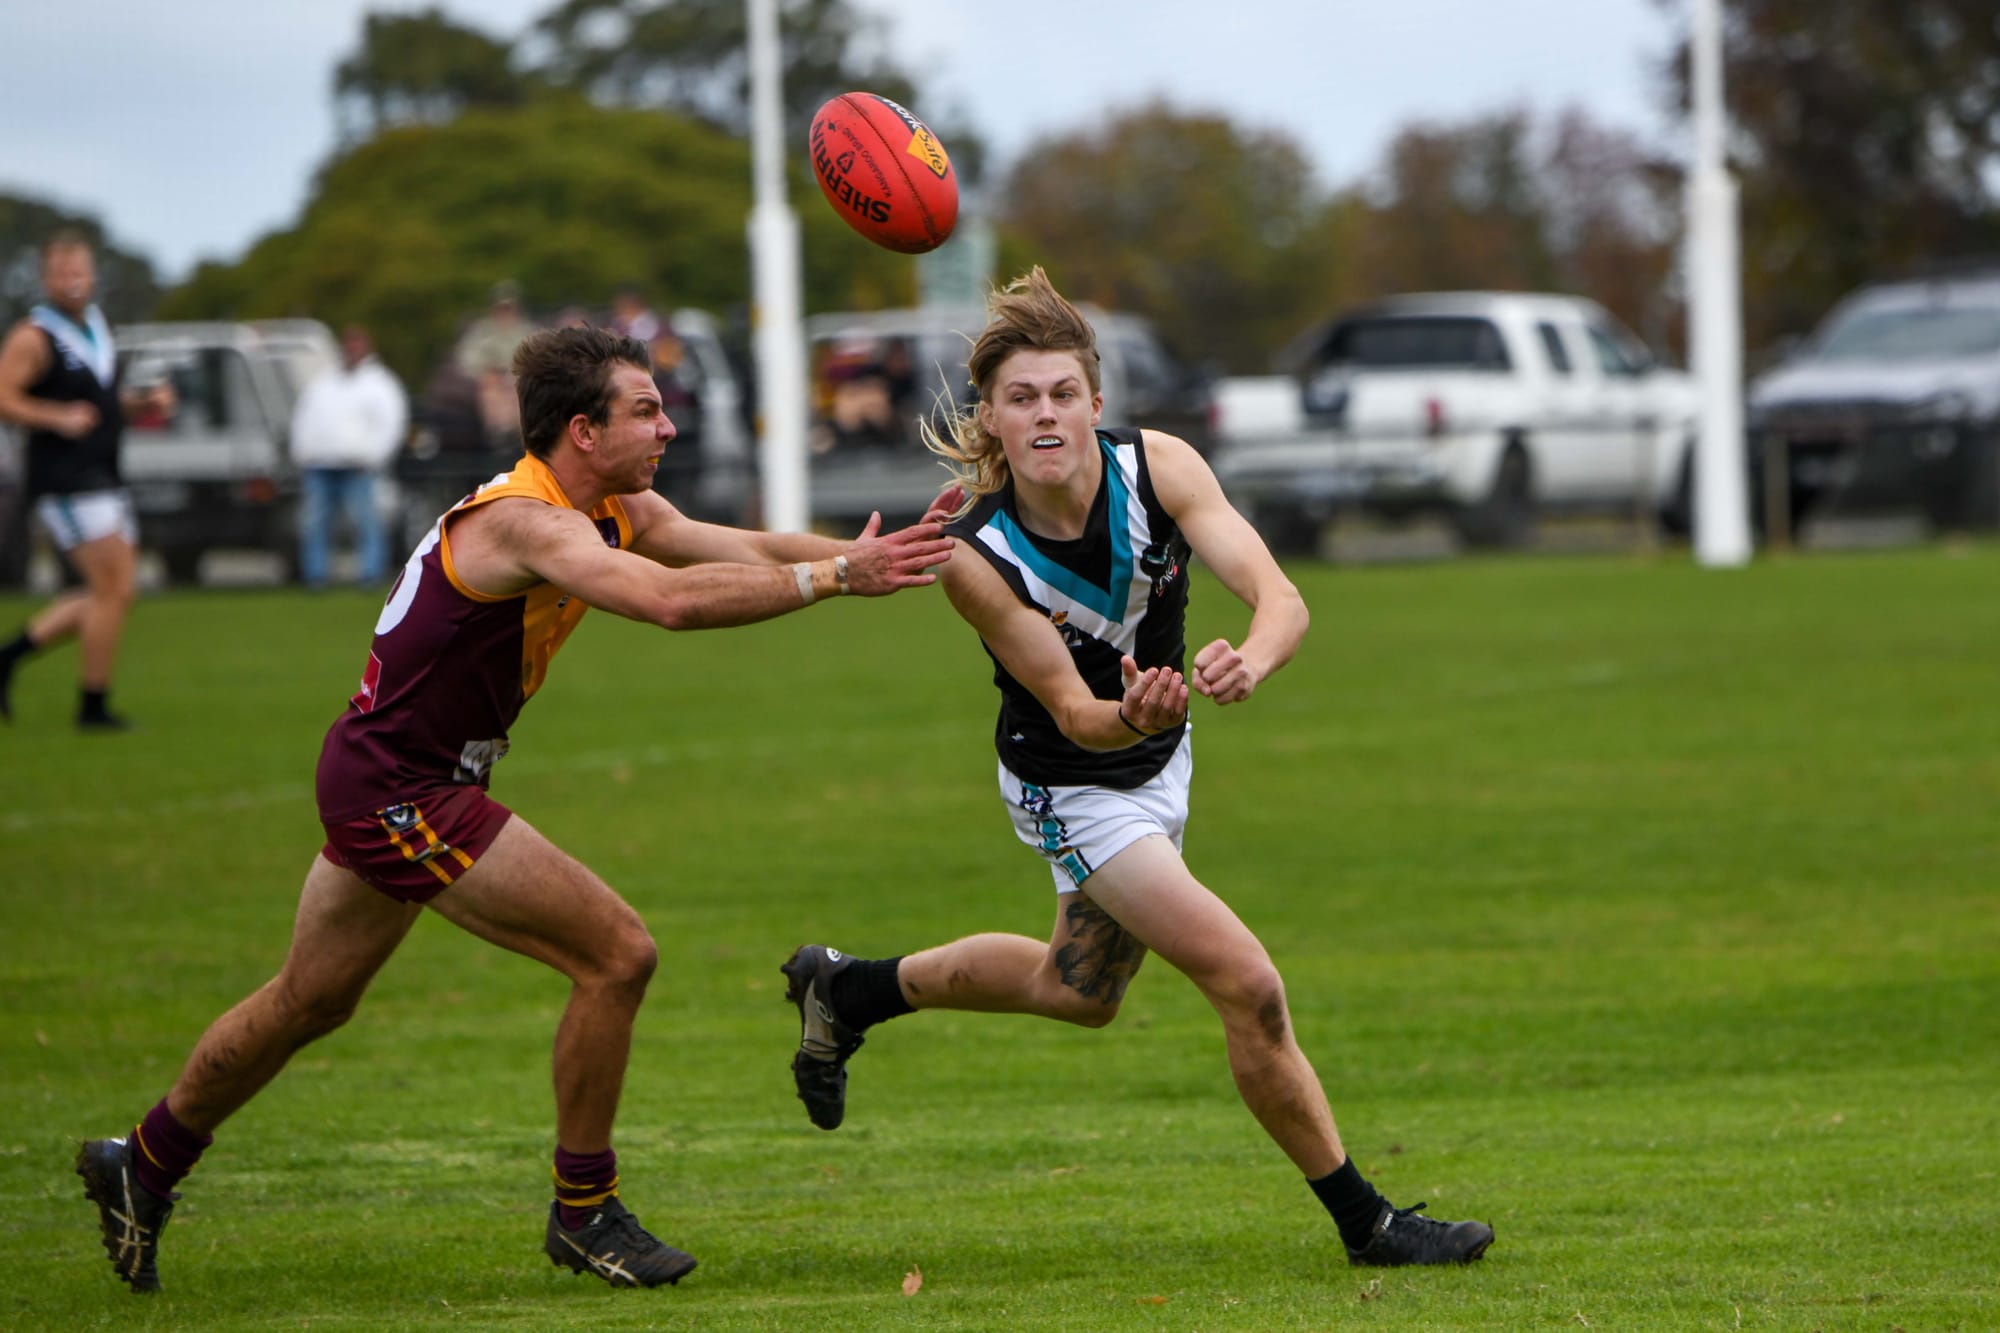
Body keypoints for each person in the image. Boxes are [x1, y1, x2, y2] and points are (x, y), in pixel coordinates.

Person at [74, 326, 957, 1294]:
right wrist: (836, 577)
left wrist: (869, 554)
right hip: (404, 789)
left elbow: (741, 545)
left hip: (395, 778)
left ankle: (142, 1162)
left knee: (310, 1000)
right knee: (616, 954)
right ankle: (584, 1210)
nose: (668, 424)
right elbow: (668, 602)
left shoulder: (608, 505)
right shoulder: (525, 523)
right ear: (582, 430)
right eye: (645, 411)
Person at [780, 268, 1495, 1270]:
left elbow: (1280, 598)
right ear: (990, 419)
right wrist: (1129, 713)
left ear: (1096, 403)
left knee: (1078, 989)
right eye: (1021, 397)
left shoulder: (1159, 467)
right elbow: (1075, 713)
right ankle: (1367, 1221)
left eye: (1062, 393)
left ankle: (849, 990)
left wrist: (1251, 659)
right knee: (1247, 983)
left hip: (1160, 757)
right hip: (1069, 783)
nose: (1045, 413)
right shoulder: (976, 556)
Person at [0, 231, 173, 730]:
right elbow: (5, 396)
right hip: (65, 481)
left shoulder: (97, 328)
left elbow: (103, 405)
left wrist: (144, 405)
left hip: (105, 475)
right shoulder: (34, 335)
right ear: (45, 279)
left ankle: (9, 657)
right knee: (109, 590)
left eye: (79, 271)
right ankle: (92, 705)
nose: (72, 280)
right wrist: (55, 416)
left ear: (92, 276)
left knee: (116, 593)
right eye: (62, 272)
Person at [289, 324, 409, 588]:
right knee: (315, 524)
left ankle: (370, 574)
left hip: (359, 466)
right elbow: (304, 417)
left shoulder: (380, 383)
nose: (351, 350)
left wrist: (375, 457)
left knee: (366, 522)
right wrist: (302, 451)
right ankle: (316, 576)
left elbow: (392, 423)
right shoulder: (324, 381)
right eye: (348, 344)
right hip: (320, 464)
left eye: (357, 344)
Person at [455, 280, 534, 450]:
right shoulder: (481, 332)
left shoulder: (527, 331)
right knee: (491, 393)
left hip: (517, 383)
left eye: (509, 308)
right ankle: (499, 436)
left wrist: (513, 376)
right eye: (502, 308)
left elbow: (535, 360)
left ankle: (512, 436)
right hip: (489, 383)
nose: (505, 313)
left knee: (516, 394)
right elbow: (467, 361)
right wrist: (489, 373)